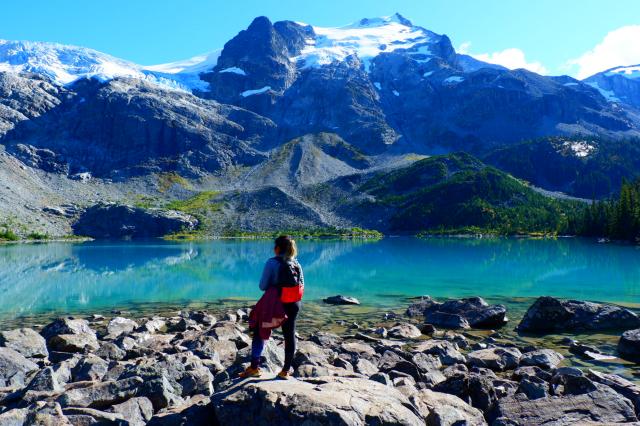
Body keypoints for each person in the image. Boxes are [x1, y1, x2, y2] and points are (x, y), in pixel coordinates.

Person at [240, 235, 304, 379]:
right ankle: (285, 371)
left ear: (277, 248)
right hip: (293, 303)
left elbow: (262, 286)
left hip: (275, 303)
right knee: (289, 334)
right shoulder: (296, 263)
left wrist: (274, 287)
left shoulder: (272, 262)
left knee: (260, 329)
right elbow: (301, 285)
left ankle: (254, 368)